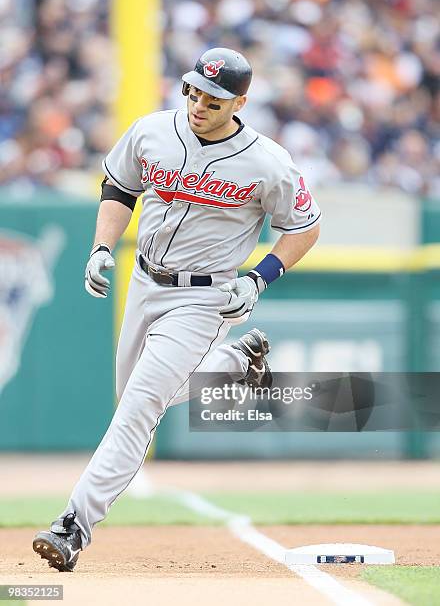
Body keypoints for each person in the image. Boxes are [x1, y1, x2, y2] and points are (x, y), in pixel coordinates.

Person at [32, 47, 321, 571]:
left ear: (239, 102)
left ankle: (73, 524)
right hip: (144, 281)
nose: (199, 102)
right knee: (133, 400)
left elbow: (304, 227)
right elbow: (119, 185)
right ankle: (237, 364)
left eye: (213, 97)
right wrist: (101, 247)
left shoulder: (267, 161)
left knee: (138, 407)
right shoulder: (152, 131)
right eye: (193, 90)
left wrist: (260, 277)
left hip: (204, 296)